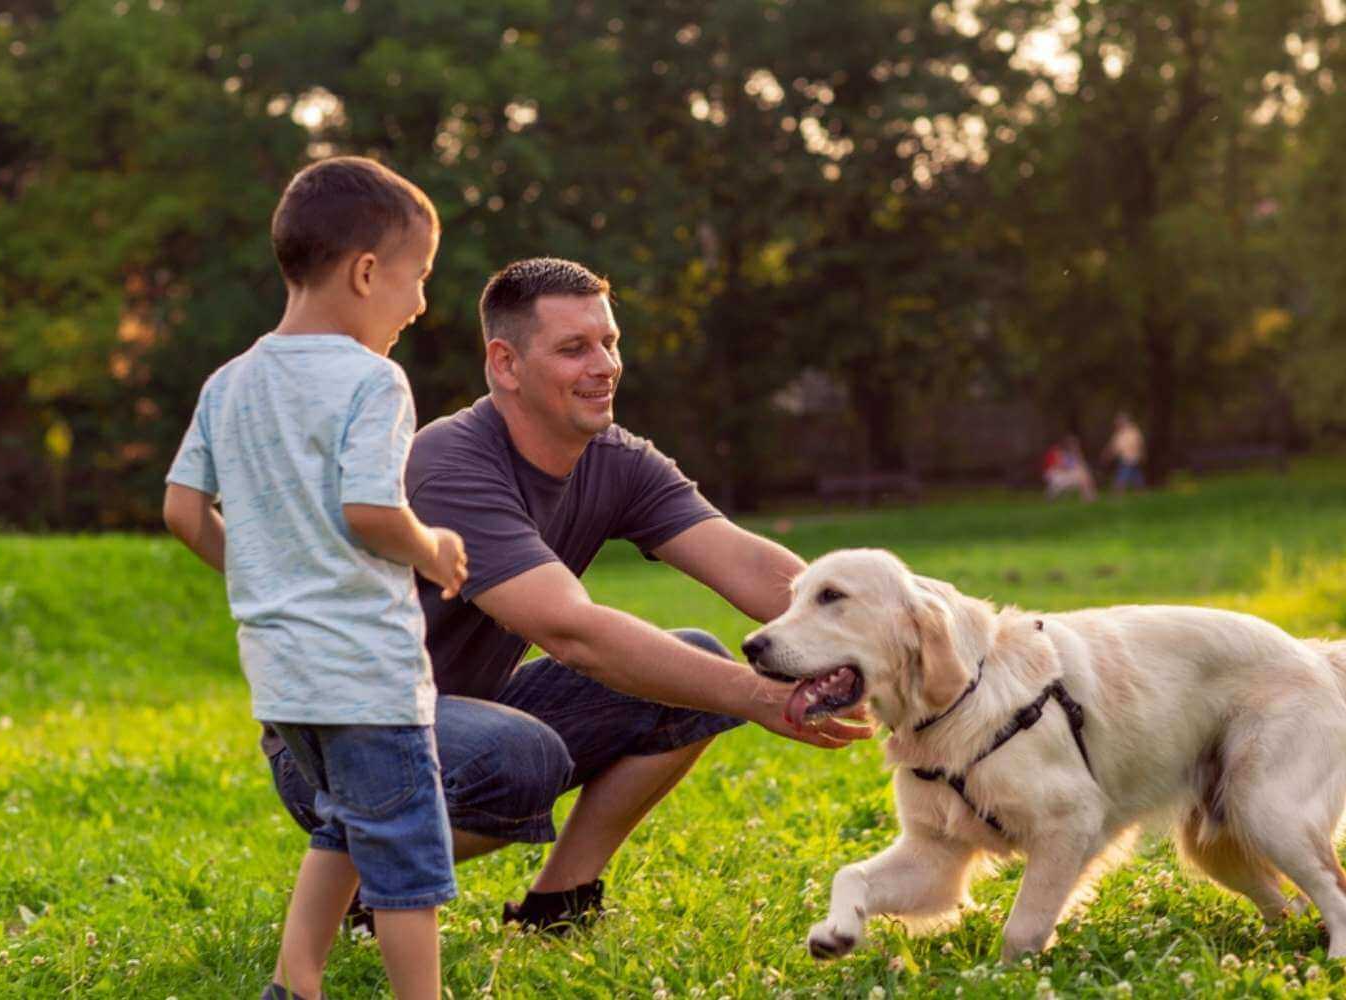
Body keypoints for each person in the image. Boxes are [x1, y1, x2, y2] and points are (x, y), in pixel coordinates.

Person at [265, 256, 869, 936]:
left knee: (688, 666)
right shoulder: (449, 463)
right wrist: (761, 695)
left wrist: (873, 635)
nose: (605, 364)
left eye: (609, 342)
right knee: (519, 756)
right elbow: (569, 631)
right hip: (335, 743)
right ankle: (362, 877)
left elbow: (749, 563)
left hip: (456, 714)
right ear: (506, 364)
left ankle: (558, 903)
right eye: (574, 348)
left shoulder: (617, 459)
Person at [163, 156, 468, 1000]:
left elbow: (183, 514)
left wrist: (263, 568)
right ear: (367, 272)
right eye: (419, 279)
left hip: (283, 676)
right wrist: (434, 546)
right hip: (364, 671)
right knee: (405, 850)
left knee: (344, 822)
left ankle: (295, 984)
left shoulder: (229, 384)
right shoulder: (374, 380)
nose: (420, 304)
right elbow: (372, 512)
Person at [1041, 434, 1096, 501]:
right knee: (1082, 474)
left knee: (1083, 473)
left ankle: (1088, 496)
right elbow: (1060, 465)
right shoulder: (1059, 453)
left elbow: (1079, 464)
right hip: (1058, 474)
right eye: (1073, 444)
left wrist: (1078, 454)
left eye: (1076, 445)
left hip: (1067, 473)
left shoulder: (1070, 454)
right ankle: (1088, 497)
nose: (1075, 446)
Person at [1103, 412, 1146, 493]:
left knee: (1122, 476)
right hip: (1125, 458)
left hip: (1131, 458)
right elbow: (1114, 446)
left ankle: (1118, 492)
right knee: (1136, 475)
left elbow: (1140, 443)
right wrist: (1108, 455)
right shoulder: (1119, 433)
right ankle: (1140, 491)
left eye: (1119, 422)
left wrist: (1142, 454)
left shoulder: (1133, 431)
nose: (1117, 424)